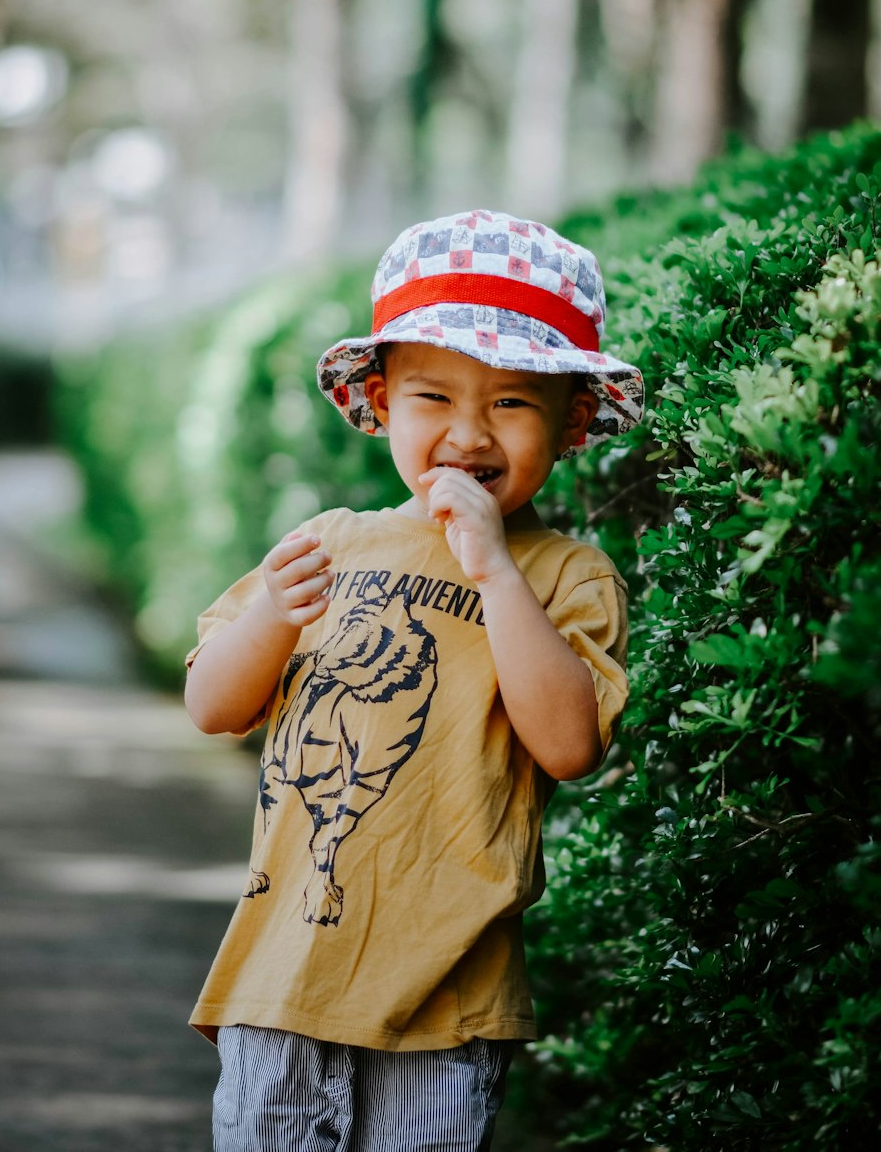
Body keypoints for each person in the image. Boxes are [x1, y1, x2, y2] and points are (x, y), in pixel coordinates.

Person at [184, 209, 644, 1152]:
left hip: (448, 997)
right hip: (284, 978)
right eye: (435, 397)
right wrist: (270, 611)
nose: (469, 435)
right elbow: (212, 706)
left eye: (513, 402)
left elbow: (569, 745)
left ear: (572, 421)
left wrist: (496, 573)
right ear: (383, 401)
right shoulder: (327, 545)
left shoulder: (565, 575)